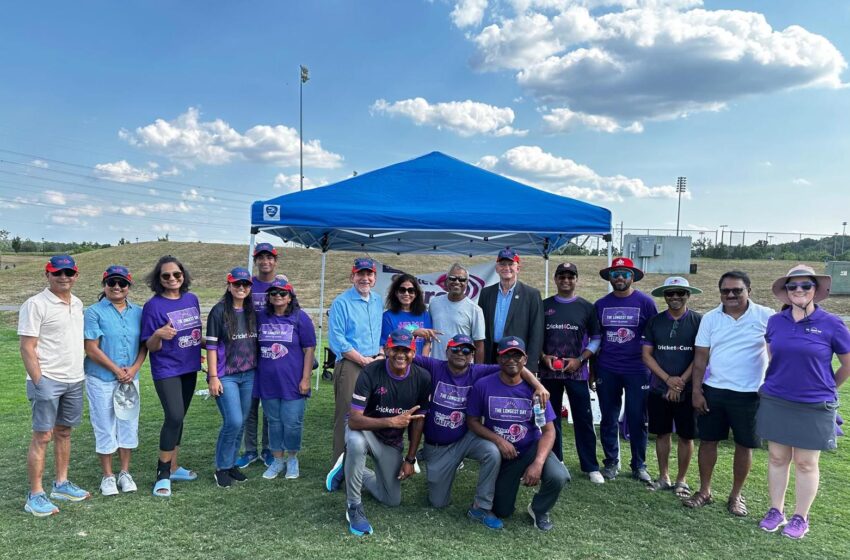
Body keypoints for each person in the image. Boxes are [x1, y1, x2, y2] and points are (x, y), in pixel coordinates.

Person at [413, 334, 550, 530]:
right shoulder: (436, 366)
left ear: (472, 355)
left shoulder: (478, 371)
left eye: (467, 350)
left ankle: (481, 507)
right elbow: (405, 355)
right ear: (447, 351)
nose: (461, 353)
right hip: (438, 446)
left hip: (464, 438)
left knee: (491, 451)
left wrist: (538, 385)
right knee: (437, 503)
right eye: (456, 349)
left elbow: (516, 367)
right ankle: (442, 472)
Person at [756, 265, 850, 539]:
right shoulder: (775, 322)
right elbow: (774, 355)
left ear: (815, 290)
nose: (798, 290)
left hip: (814, 404)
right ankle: (776, 510)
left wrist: (828, 385)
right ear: (785, 292)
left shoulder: (832, 323)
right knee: (777, 458)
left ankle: (801, 517)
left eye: (805, 286)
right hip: (777, 398)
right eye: (792, 286)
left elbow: (847, 364)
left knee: (806, 463)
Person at [685, 270, 774, 517]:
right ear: (720, 293)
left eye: (737, 290)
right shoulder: (711, 318)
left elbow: (774, 354)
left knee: (744, 445)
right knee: (708, 441)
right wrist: (696, 391)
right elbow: (701, 358)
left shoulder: (766, 316)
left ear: (749, 291)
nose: (731, 294)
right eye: (726, 291)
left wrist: (771, 385)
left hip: (750, 394)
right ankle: (704, 491)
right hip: (714, 391)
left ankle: (736, 495)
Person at [327, 329, 431, 536]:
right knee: (355, 444)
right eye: (395, 349)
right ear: (386, 350)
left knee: (391, 499)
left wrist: (410, 459)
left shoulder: (422, 377)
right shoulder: (371, 371)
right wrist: (393, 421)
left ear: (413, 353)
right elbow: (355, 420)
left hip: (390, 442)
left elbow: (418, 422)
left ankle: (346, 467)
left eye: (405, 350)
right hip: (364, 429)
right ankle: (354, 506)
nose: (400, 355)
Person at [467, 336, 570, 531]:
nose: (511, 360)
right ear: (498, 359)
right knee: (502, 510)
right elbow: (472, 421)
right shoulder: (484, 385)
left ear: (525, 359)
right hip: (506, 454)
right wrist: (498, 440)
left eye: (517, 355)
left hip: (530, 446)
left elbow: (548, 431)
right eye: (506, 355)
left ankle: (539, 509)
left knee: (558, 476)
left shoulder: (536, 391)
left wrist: (538, 463)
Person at [19, 255, 90, 516]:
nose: (63, 277)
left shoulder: (78, 303)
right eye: (57, 273)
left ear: (76, 275)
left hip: (74, 378)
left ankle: (61, 484)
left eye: (69, 273)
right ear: (47, 274)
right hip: (47, 379)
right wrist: (39, 381)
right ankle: (35, 494)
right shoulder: (35, 304)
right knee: (42, 436)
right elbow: (27, 346)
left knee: (64, 432)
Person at [141, 255, 203, 497]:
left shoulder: (192, 299)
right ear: (159, 279)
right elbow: (150, 346)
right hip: (167, 370)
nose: (172, 279)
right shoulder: (153, 306)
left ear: (183, 276)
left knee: (180, 417)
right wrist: (158, 334)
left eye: (176, 274)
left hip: (189, 367)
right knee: (174, 416)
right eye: (166, 275)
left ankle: (175, 467)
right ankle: (162, 474)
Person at [83, 265, 147, 496]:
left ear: (129, 286)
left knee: (128, 423)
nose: (117, 287)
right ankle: (108, 476)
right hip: (101, 378)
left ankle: (125, 472)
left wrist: (135, 368)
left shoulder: (139, 312)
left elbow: (144, 345)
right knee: (104, 424)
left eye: (122, 283)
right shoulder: (93, 312)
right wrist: (116, 370)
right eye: (112, 283)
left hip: (130, 378)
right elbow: (91, 348)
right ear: (105, 285)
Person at [593, 257, 657, 482]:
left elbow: (654, 337)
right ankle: (611, 462)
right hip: (607, 368)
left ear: (633, 277)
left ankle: (639, 465)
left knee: (637, 418)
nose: (620, 277)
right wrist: (593, 371)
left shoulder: (646, 303)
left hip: (638, 369)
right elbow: (595, 339)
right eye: (615, 273)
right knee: (608, 418)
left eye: (625, 273)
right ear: (609, 277)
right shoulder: (600, 304)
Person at [538, 262, 603, 483]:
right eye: (562, 276)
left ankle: (590, 466)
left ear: (577, 279)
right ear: (555, 279)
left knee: (583, 419)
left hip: (577, 373)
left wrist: (581, 359)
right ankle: (556, 461)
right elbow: (535, 336)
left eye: (570, 276)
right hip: (548, 374)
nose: (566, 280)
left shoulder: (587, 307)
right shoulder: (544, 305)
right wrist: (542, 356)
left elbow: (596, 339)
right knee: (551, 419)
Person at [641, 276, 702, 497]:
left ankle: (681, 480)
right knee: (662, 433)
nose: (675, 297)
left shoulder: (698, 321)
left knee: (686, 436)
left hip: (687, 390)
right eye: (670, 293)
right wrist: (667, 380)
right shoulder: (655, 322)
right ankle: (664, 476)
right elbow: (646, 356)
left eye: (680, 293)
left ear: (688, 295)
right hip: (659, 388)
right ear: (664, 296)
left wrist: (679, 384)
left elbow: (701, 356)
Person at [256, 279, 316, 480]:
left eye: (283, 293)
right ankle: (277, 459)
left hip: (293, 380)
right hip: (268, 380)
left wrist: (306, 378)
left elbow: (309, 349)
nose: (278, 297)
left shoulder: (300, 318)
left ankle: (292, 458)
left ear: (290, 297)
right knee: (274, 422)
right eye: (274, 293)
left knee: (292, 422)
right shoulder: (261, 317)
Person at [327, 257, 384, 467]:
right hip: (351, 364)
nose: (365, 278)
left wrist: (379, 355)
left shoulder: (378, 301)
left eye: (369, 274)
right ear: (353, 276)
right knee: (347, 416)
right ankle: (339, 467)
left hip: (374, 363)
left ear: (375, 278)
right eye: (360, 274)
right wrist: (362, 359)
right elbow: (337, 340)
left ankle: (361, 463)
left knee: (370, 414)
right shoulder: (341, 303)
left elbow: (380, 333)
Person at [206, 267, 258, 488]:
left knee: (242, 420)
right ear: (229, 285)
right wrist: (213, 376)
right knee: (233, 420)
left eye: (245, 284)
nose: (241, 288)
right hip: (226, 375)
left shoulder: (252, 310)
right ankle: (221, 467)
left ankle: (231, 464)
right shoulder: (218, 311)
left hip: (249, 374)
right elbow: (210, 346)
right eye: (237, 284)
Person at [237, 242, 282, 469]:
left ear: (275, 260)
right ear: (255, 261)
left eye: (270, 257)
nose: (265, 262)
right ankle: (250, 450)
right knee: (250, 404)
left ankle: (268, 449)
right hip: (247, 352)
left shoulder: (281, 285)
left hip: (272, 354)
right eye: (261, 258)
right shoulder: (247, 285)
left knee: (270, 405)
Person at [478, 249, 543, 369]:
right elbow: (480, 327)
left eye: (510, 264)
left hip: (515, 356)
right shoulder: (486, 293)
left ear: (518, 268)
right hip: (490, 355)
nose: (506, 267)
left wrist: (531, 366)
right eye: (502, 264)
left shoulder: (532, 294)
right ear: (497, 268)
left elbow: (536, 333)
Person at [428, 263, 485, 360]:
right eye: (453, 278)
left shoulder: (475, 310)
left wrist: (477, 371)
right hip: (436, 364)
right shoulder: (434, 303)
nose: (457, 282)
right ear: (446, 281)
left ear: (467, 283)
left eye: (462, 279)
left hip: (462, 367)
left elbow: (479, 345)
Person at [381, 272, 432, 356]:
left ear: (416, 294)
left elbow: (427, 343)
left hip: (419, 364)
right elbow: (387, 344)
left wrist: (423, 363)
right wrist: (413, 333)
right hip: (397, 362)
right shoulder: (387, 317)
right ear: (396, 293)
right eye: (402, 290)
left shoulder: (424, 315)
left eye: (411, 290)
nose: (406, 294)